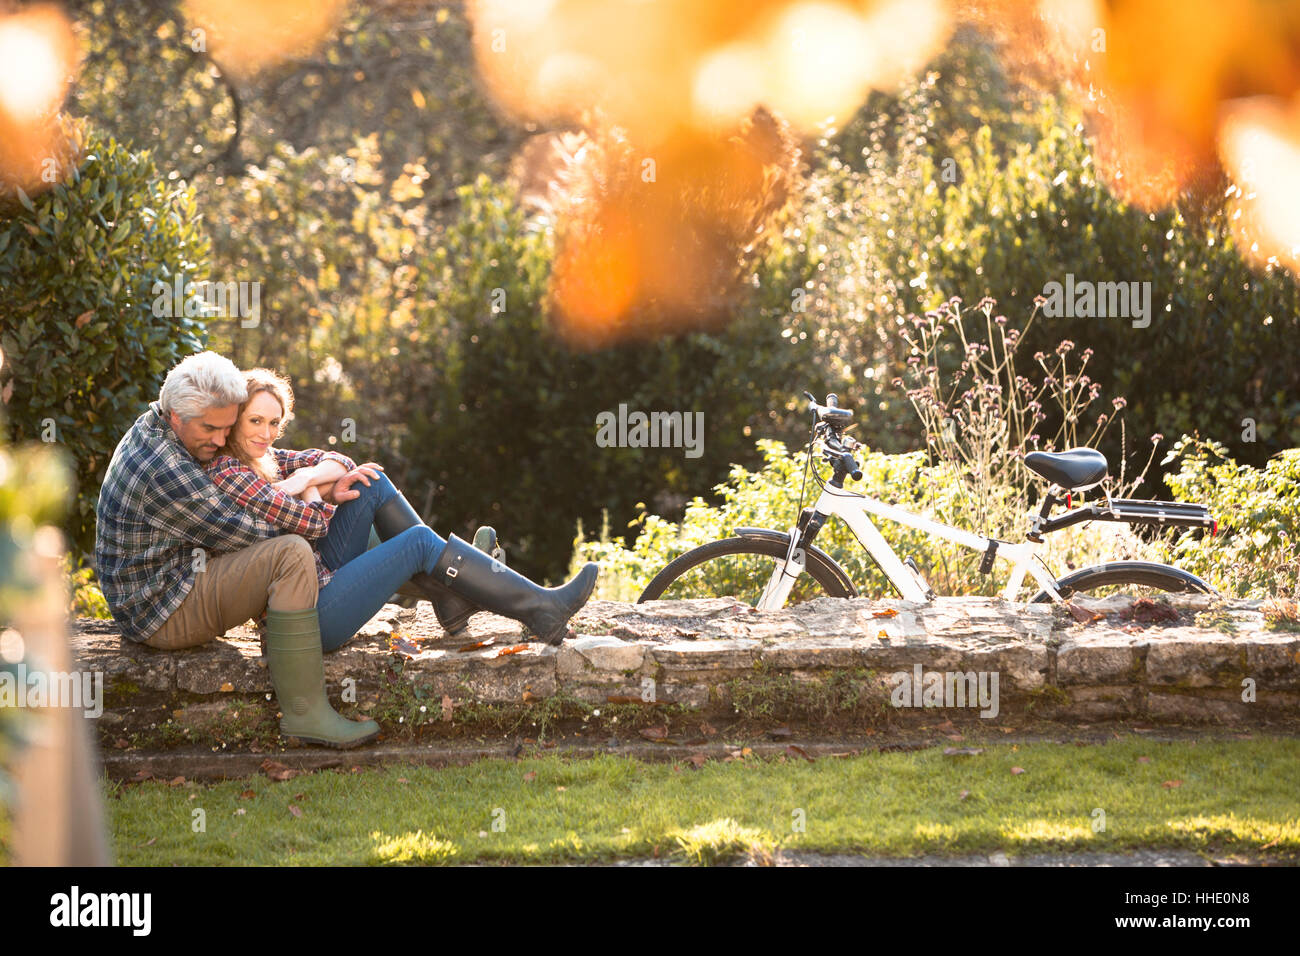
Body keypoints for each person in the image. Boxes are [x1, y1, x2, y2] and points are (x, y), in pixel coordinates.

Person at [203, 367, 599, 652]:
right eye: (255, 420)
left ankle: (450, 597)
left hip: (317, 578)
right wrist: (310, 486)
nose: (266, 433)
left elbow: (338, 460)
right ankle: (537, 608)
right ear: (236, 419)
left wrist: (305, 475)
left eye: (275, 422)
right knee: (417, 542)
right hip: (304, 619)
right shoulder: (230, 470)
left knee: (370, 482)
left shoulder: (265, 456)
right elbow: (315, 522)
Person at [95, 352, 378, 748]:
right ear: (176, 415)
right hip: (161, 608)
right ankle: (305, 713)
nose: (220, 440)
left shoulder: (164, 426)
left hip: (180, 577)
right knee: (290, 552)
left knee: (359, 491)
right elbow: (256, 532)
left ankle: (436, 574)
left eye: (227, 428)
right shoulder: (163, 466)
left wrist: (306, 479)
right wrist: (313, 493)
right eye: (210, 429)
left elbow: (272, 465)